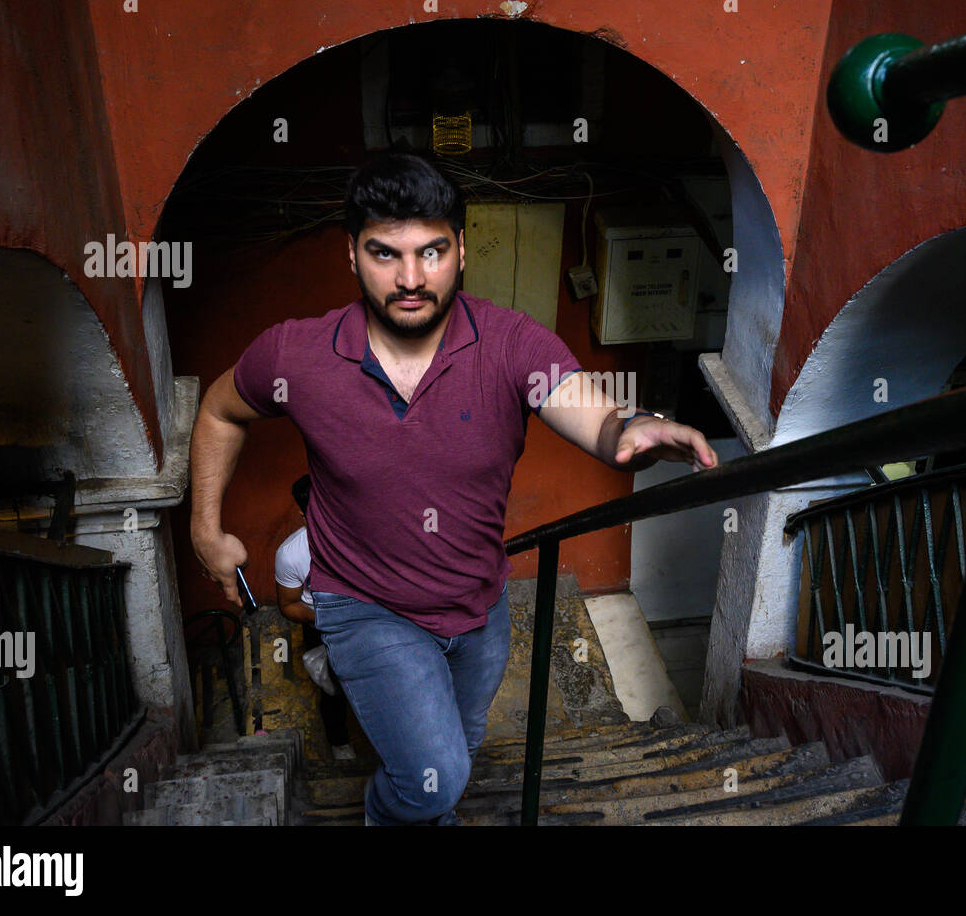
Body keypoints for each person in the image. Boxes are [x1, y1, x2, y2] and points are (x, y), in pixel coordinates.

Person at [189, 151, 719, 825]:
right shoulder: (297, 355)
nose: (411, 278)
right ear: (352, 255)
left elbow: (596, 415)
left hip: (479, 608)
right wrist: (204, 527)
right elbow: (217, 410)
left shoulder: (510, 343)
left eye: (432, 251)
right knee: (430, 781)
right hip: (365, 603)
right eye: (386, 254)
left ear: (461, 249)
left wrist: (632, 429)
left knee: (455, 757)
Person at [274, 474, 354, 761]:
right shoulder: (290, 554)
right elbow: (288, 605)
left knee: (381, 682)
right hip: (320, 627)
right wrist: (325, 617)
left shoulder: (363, 537)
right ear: (302, 514)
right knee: (333, 690)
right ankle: (340, 743)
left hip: (367, 621)